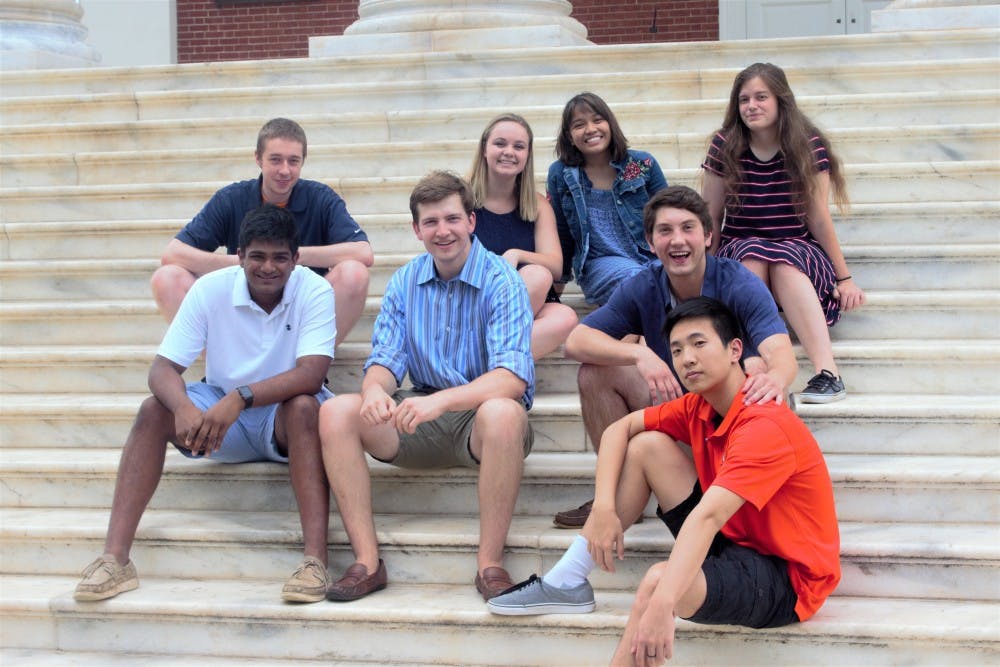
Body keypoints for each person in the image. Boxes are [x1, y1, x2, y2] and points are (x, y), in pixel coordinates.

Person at [488, 298, 841, 667]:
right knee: (647, 446)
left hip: (787, 579)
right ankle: (569, 578)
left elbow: (707, 518)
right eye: (676, 349)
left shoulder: (765, 426)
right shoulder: (699, 406)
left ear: (735, 349)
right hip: (734, 543)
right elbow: (618, 429)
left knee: (659, 580)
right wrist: (605, 507)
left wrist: (663, 605)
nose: (687, 358)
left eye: (699, 343)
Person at [75, 204, 337, 604]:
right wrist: (183, 408)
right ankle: (115, 559)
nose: (269, 267)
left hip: (280, 414)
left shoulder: (314, 290)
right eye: (257, 257)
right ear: (240, 256)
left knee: (305, 406)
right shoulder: (211, 289)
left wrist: (242, 397)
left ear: (297, 258)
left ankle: (314, 562)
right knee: (152, 409)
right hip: (220, 412)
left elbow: (311, 374)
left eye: (280, 257)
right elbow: (162, 368)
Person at [318, 171, 535, 603]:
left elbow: (511, 378)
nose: (443, 231)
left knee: (504, 412)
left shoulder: (502, 280)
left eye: (452, 219)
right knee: (335, 411)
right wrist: (376, 390)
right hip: (420, 417)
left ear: (471, 221)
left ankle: (490, 564)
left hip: (480, 420)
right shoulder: (404, 281)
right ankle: (367, 561)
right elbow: (385, 359)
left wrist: (441, 401)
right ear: (416, 229)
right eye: (431, 222)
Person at [552, 185, 797, 529]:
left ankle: (740, 497)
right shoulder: (643, 284)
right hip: (682, 410)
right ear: (650, 243)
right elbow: (576, 341)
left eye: (687, 228)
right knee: (595, 373)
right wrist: (638, 353)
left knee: (756, 371)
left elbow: (781, 354)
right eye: (665, 231)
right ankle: (624, 496)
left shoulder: (738, 282)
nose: (677, 240)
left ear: (708, 236)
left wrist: (774, 378)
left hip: (736, 417)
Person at [701, 62, 865, 403]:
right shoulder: (725, 144)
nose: (752, 106)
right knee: (752, 258)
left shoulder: (806, 144)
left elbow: (818, 218)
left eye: (762, 97)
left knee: (784, 262)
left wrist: (844, 276)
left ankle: (828, 373)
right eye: (744, 99)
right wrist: (706, 274)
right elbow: (711, 217)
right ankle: (752, 361)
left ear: (781, 101)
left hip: (797, 248)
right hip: (741, 246)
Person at [150, 117, 373, 346]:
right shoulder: (231, 199)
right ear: (258, 158)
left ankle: (310, 361)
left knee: (354, 273)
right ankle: (224, 366)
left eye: (293, 161)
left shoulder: (321, 199)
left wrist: (290, 257)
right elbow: (172, 254)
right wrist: (243, 261)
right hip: (241, 307)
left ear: (303, 162)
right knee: (166, 278)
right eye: (275, 160)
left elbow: (363, 253)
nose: (285, 170)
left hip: (300, 312)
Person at [468, 113, 578, 358]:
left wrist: (516, 255)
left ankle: (480, 359)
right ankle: (492, 364)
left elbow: (556, 266)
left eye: (519, 146)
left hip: (530, 299)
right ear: (484, 149)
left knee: (563, 316)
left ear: (527, 155)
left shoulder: (536, 204)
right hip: (477, 295)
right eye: (500, 143)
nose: (509, 152)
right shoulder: (461, 199)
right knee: (536, 275)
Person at [548, 92, 668, 305]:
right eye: (579, 125)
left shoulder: (641, 164)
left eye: (597, 120)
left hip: (651, 257)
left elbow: (668, 214)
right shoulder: (562, 174)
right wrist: (556, 288)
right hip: (600, 265)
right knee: (639, 281)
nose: (590, 129)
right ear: (568, 136)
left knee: (666, 281)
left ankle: (638, 339)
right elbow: (562, 234)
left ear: (610, 124)